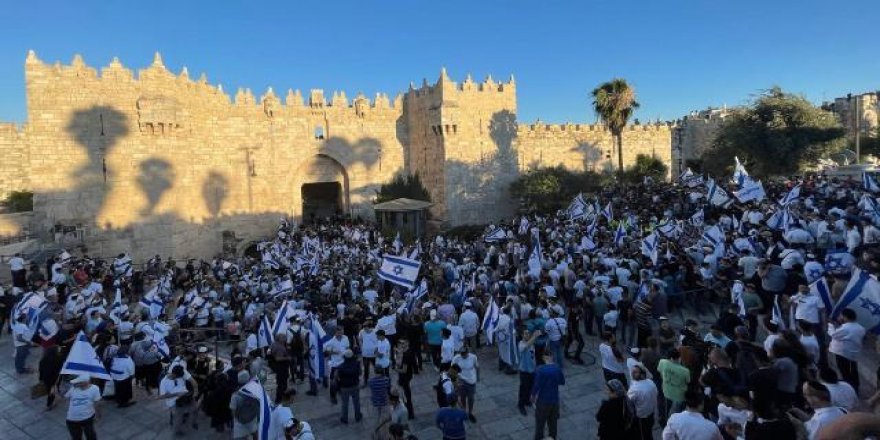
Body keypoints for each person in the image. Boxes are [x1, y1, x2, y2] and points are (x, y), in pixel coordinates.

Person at [828, 308, 865, 392]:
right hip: (853, 353)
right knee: (853, 371)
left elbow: (834, 335)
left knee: (845, 372)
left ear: (845, 317)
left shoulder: (846, 328)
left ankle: (849, 389)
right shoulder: (861, 328)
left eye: (841, 315)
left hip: (843, 353)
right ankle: (855, 387)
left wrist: (830, 325)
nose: (840, 317)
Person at [531, 350, 565, 440]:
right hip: (554, 401)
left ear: (543, 358)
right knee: (553, 424)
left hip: (543, 401)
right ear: (552, 357)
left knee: (540, 425)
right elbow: (562, 381)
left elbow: (536, 386)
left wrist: (533, 396)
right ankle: (552, 438)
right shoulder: (557, 368)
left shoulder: (540, 369)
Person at [159, 364, 198, 436]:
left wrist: (193, 392)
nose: (180, 378)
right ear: (173, 373)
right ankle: (177, 431)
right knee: (178, 419)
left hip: (186, 397)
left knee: (195, 409)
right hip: (174, 403)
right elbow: (163, 396)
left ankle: (193, 422)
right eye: (178, 376)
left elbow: (192, 382)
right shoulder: (164, 382)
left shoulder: (181, 373)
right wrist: (177, 394)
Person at [64, 374, 102, 440]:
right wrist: (55, 393)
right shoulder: (73, 388)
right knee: (76, 438)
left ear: (86, 382)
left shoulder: (95, 389)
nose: (76, 383)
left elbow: (97, 403)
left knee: (91, 437)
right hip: (71, 420)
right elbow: (64, 398)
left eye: (79, 382)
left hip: (87, 418)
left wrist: (98, 415)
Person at [628, 364, 658, 440]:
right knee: (648, 433)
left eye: (635, 372)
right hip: (651, 414)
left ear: (642, 374)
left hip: (641, 417)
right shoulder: (650, 382)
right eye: (633, 371)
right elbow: (656, 393)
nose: (632, 373)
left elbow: (628, 401)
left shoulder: (635, 389)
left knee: (643, 436)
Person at [658, 348, 690, 419]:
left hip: (666, 391)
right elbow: (688, 381)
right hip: (679, 396)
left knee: (667, 409)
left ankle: (666, 422)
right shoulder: (685, 370)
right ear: (679, 357)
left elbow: (660, 371)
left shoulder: (662, 362)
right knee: (677, 415)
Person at [451, 344, 479, 422]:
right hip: (461, 381)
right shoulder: (456, 358)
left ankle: (470, 412)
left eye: (464, 354)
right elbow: (452, 370)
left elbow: (477, 367)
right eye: (462, 354)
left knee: (471, 398)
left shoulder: (473, 357)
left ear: (468, 352)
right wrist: (455, 381)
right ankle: (464, 412)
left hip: (471, 381)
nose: (463, 356)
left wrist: (478, 377)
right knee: (462, 397)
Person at [517, 328, 540, 415]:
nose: (527, 335)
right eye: (525, 334)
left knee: (530, 387)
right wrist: (534, 336)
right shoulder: (521, 344)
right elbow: (525, 347)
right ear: (522, 335)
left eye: (528, 333)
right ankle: (521, 404)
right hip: (524, 371)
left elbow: (533, 356)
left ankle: (527, 401)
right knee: (523, 388)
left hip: (532, 370)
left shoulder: (532, 344)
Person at [336, 349, 363, 424]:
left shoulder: (340, 367)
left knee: (345, 403)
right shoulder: (357, 364)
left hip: (344, 387)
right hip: (355, 385)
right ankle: (358, 416)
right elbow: (360, 373)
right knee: (356, 402)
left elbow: (336, 377)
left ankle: (345, 418)